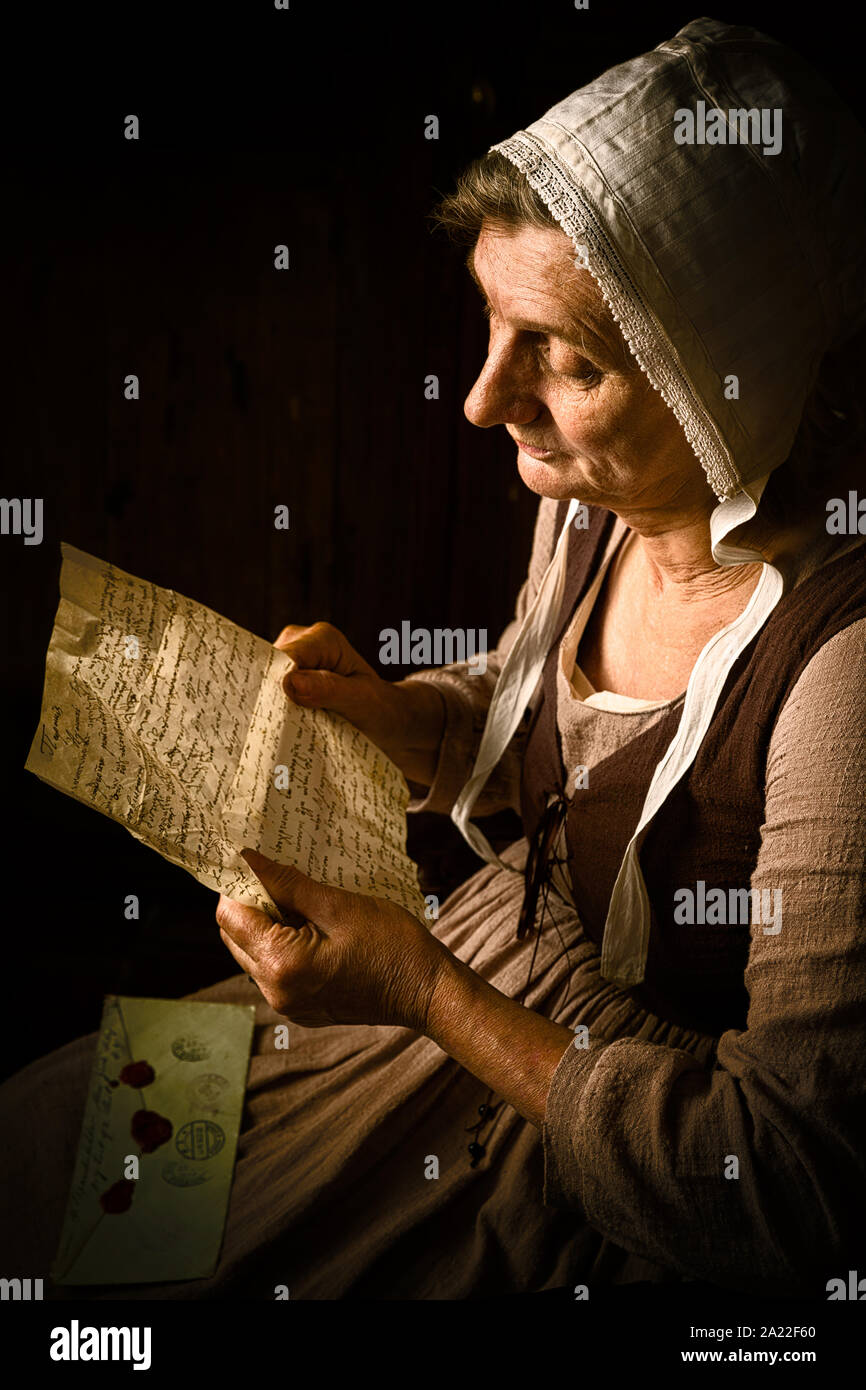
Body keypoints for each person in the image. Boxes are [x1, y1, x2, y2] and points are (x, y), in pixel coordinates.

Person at [2, 17, 864, 1300]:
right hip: (467, 966)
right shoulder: (588, 502)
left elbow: (789, 1172)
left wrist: (421, 988)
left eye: (565, 360)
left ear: (716, 386)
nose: (480, 400)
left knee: (152, 1286)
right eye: (492, 327)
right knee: (39, 1144)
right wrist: (397, 716)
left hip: (586, 1121)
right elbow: (540, 723)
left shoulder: (839, 671)